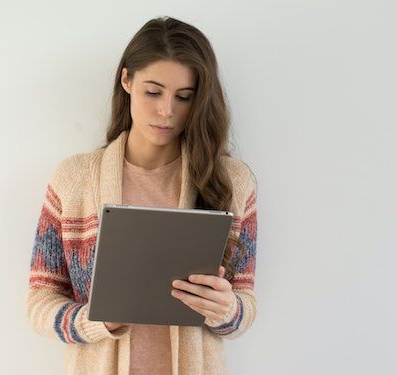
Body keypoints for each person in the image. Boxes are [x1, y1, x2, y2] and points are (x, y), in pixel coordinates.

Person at [26, 16, 258, 375]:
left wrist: (227, 309)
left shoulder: (231, 181)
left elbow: (244, 307)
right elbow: (39, 302)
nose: (167, 110)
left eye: (184, 97)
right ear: (127, 80)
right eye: (153, 92)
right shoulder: (74, 180)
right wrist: (96, 321)